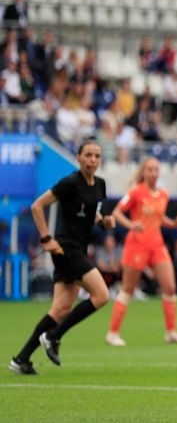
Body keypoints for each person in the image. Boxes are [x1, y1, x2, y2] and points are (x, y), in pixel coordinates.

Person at [9, 141, 115, 374]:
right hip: (65, 249)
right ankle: (54, 337)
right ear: (78, 157)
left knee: (60, 310)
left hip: (79, 248)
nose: (93, 160)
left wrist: (104, 221)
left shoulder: (100, 184)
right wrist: (46, 238)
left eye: (97, 155)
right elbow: (38, 206)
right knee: (102, 295)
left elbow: (93, 213)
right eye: (88, 155)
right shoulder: (69, 183)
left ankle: (21, 360)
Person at [106, 157, 177, 346]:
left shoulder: (163, 194)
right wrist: (130, 224)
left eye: (156, 169)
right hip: (137, 244)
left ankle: (171, 332)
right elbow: (116, 212)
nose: (153, 172)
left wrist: (174, 223)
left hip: (156, 245)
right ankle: (112, 333)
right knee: (128, 289)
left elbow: (159, 219)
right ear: (143, 172)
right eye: (150, 169)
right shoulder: (135, 192)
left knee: (169, 287)